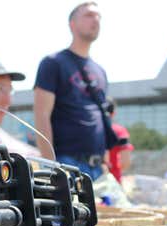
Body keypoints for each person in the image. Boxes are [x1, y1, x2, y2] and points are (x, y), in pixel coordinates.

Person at [33, 2, 113, 180]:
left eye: (98, 16)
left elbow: (101, 117)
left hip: (97, 167)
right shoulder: (53, 63)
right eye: (89, 15)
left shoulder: (100, 71)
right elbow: (41, 114)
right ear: (72, 24)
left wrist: (104, 160)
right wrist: (50, 164)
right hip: (66, 163)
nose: (96, 20)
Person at [106, 98, 133, 183]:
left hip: (89, 179)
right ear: (113, 113)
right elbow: (126, 162)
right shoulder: (119, 131)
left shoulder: (88, 131)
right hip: (113, 180)